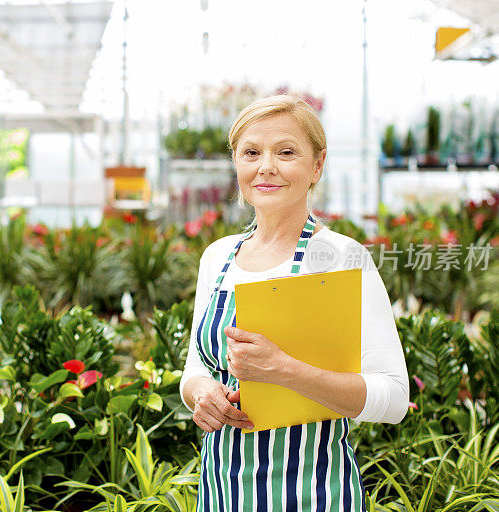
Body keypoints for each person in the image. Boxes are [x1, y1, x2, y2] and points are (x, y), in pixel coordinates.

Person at [179, 95, 409, 511]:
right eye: (251, 152)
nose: (266, 166)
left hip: (315, 492)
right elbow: (195, 369)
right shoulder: (218, 256)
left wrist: (284, 371)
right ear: (236, 162)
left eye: (286, 152)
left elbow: (393, 398)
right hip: (223, 492)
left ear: (317, 165)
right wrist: (201, 394)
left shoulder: (340, 256)